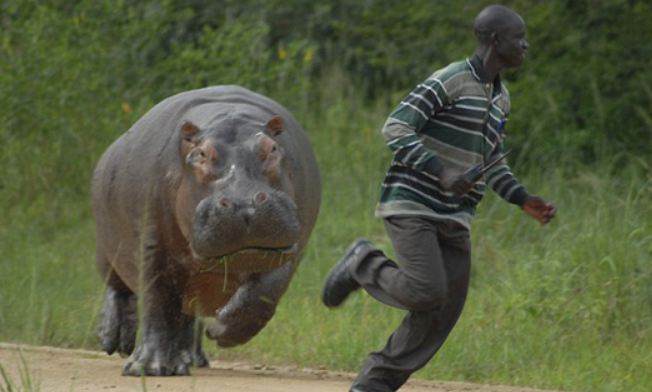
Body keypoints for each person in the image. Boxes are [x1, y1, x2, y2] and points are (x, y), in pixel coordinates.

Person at [321, 4, 557, 392]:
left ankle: (376, 383)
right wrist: (441, 172)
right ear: (496, 41)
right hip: (413, 203)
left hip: (455, 216)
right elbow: (395, 127)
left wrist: (521, 198)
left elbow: (491, 161)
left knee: (444, 307)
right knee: (427, 291)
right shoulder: (450, 80)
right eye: (520, 37)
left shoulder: (501, 100)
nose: (526, 45)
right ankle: (362, 262)